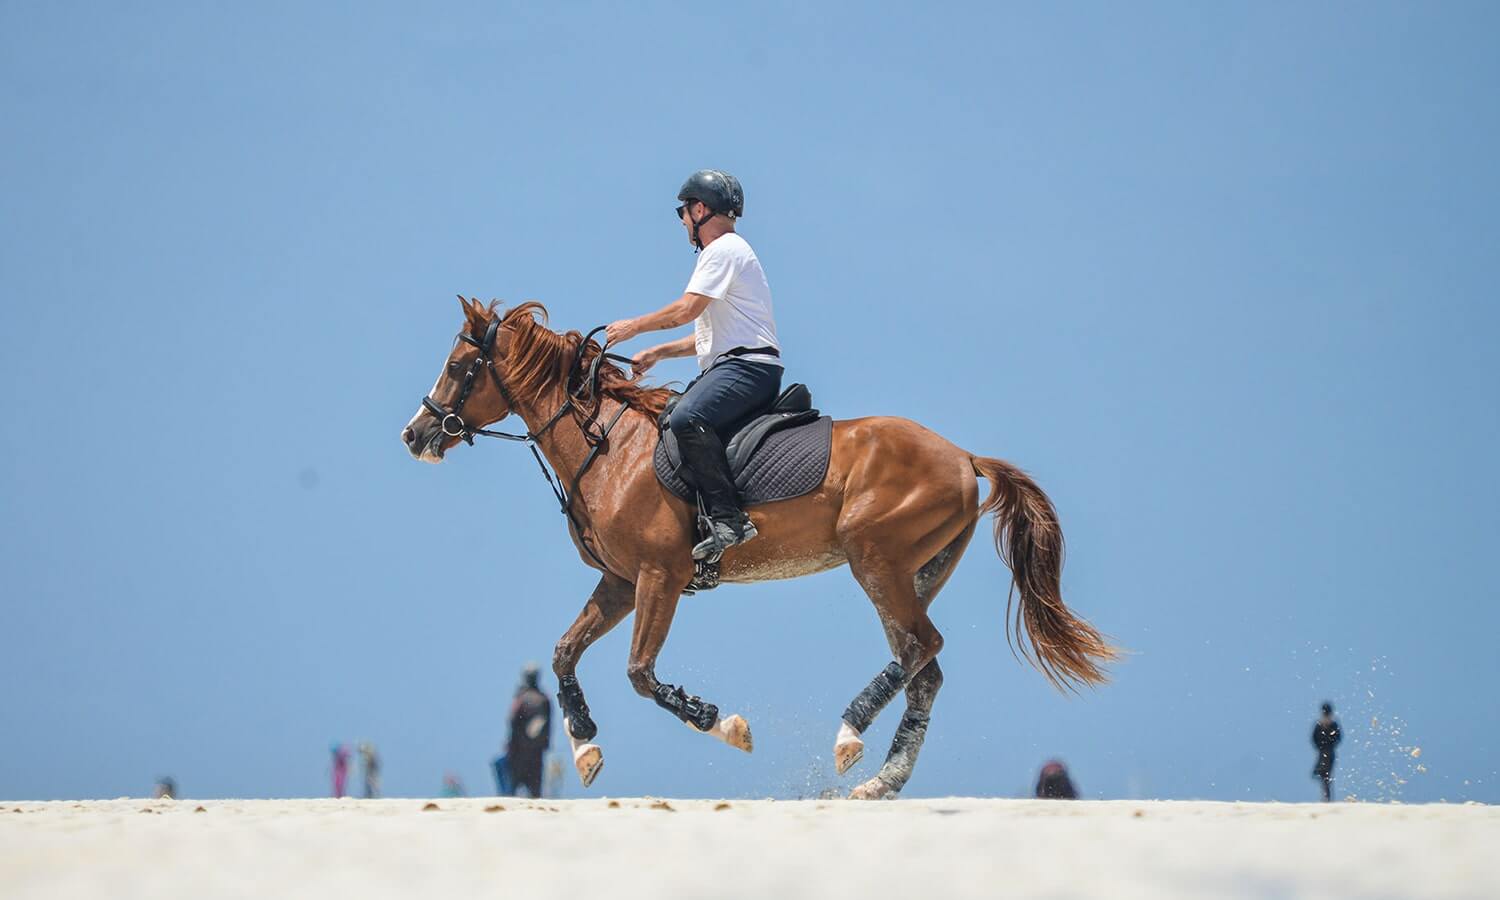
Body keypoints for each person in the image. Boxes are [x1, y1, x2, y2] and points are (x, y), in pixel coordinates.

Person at [606, 169, 784, 560]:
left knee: (687, 418)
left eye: (683, 213)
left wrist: (634, 327)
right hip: (738, 365)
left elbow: (687, 310)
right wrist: (658, 353)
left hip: (747, 370)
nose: (684, 222)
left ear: (699, 209)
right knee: (672, 414)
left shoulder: (722, 251)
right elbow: (707, 337)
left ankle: (729, 520)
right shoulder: (727, 254)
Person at [505, 663, 552, 798]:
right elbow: (549, 726)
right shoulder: (544, 699)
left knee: (512, 789)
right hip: (536, 752)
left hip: (519, 751)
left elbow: (512, 721)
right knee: (535, 790)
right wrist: (545, 745)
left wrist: (510, 745)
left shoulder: (521, 698)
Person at [1312, 701, 1342, 802]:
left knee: (1325, 775)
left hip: (1325, 752)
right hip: (1327, 752)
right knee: (1325, 775)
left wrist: (1322, 746)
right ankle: (1326, 798)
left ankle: (1326, 798)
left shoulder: (1323, 724)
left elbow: (1314, 739)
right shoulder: (1329, 724)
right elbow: (1338, 738)